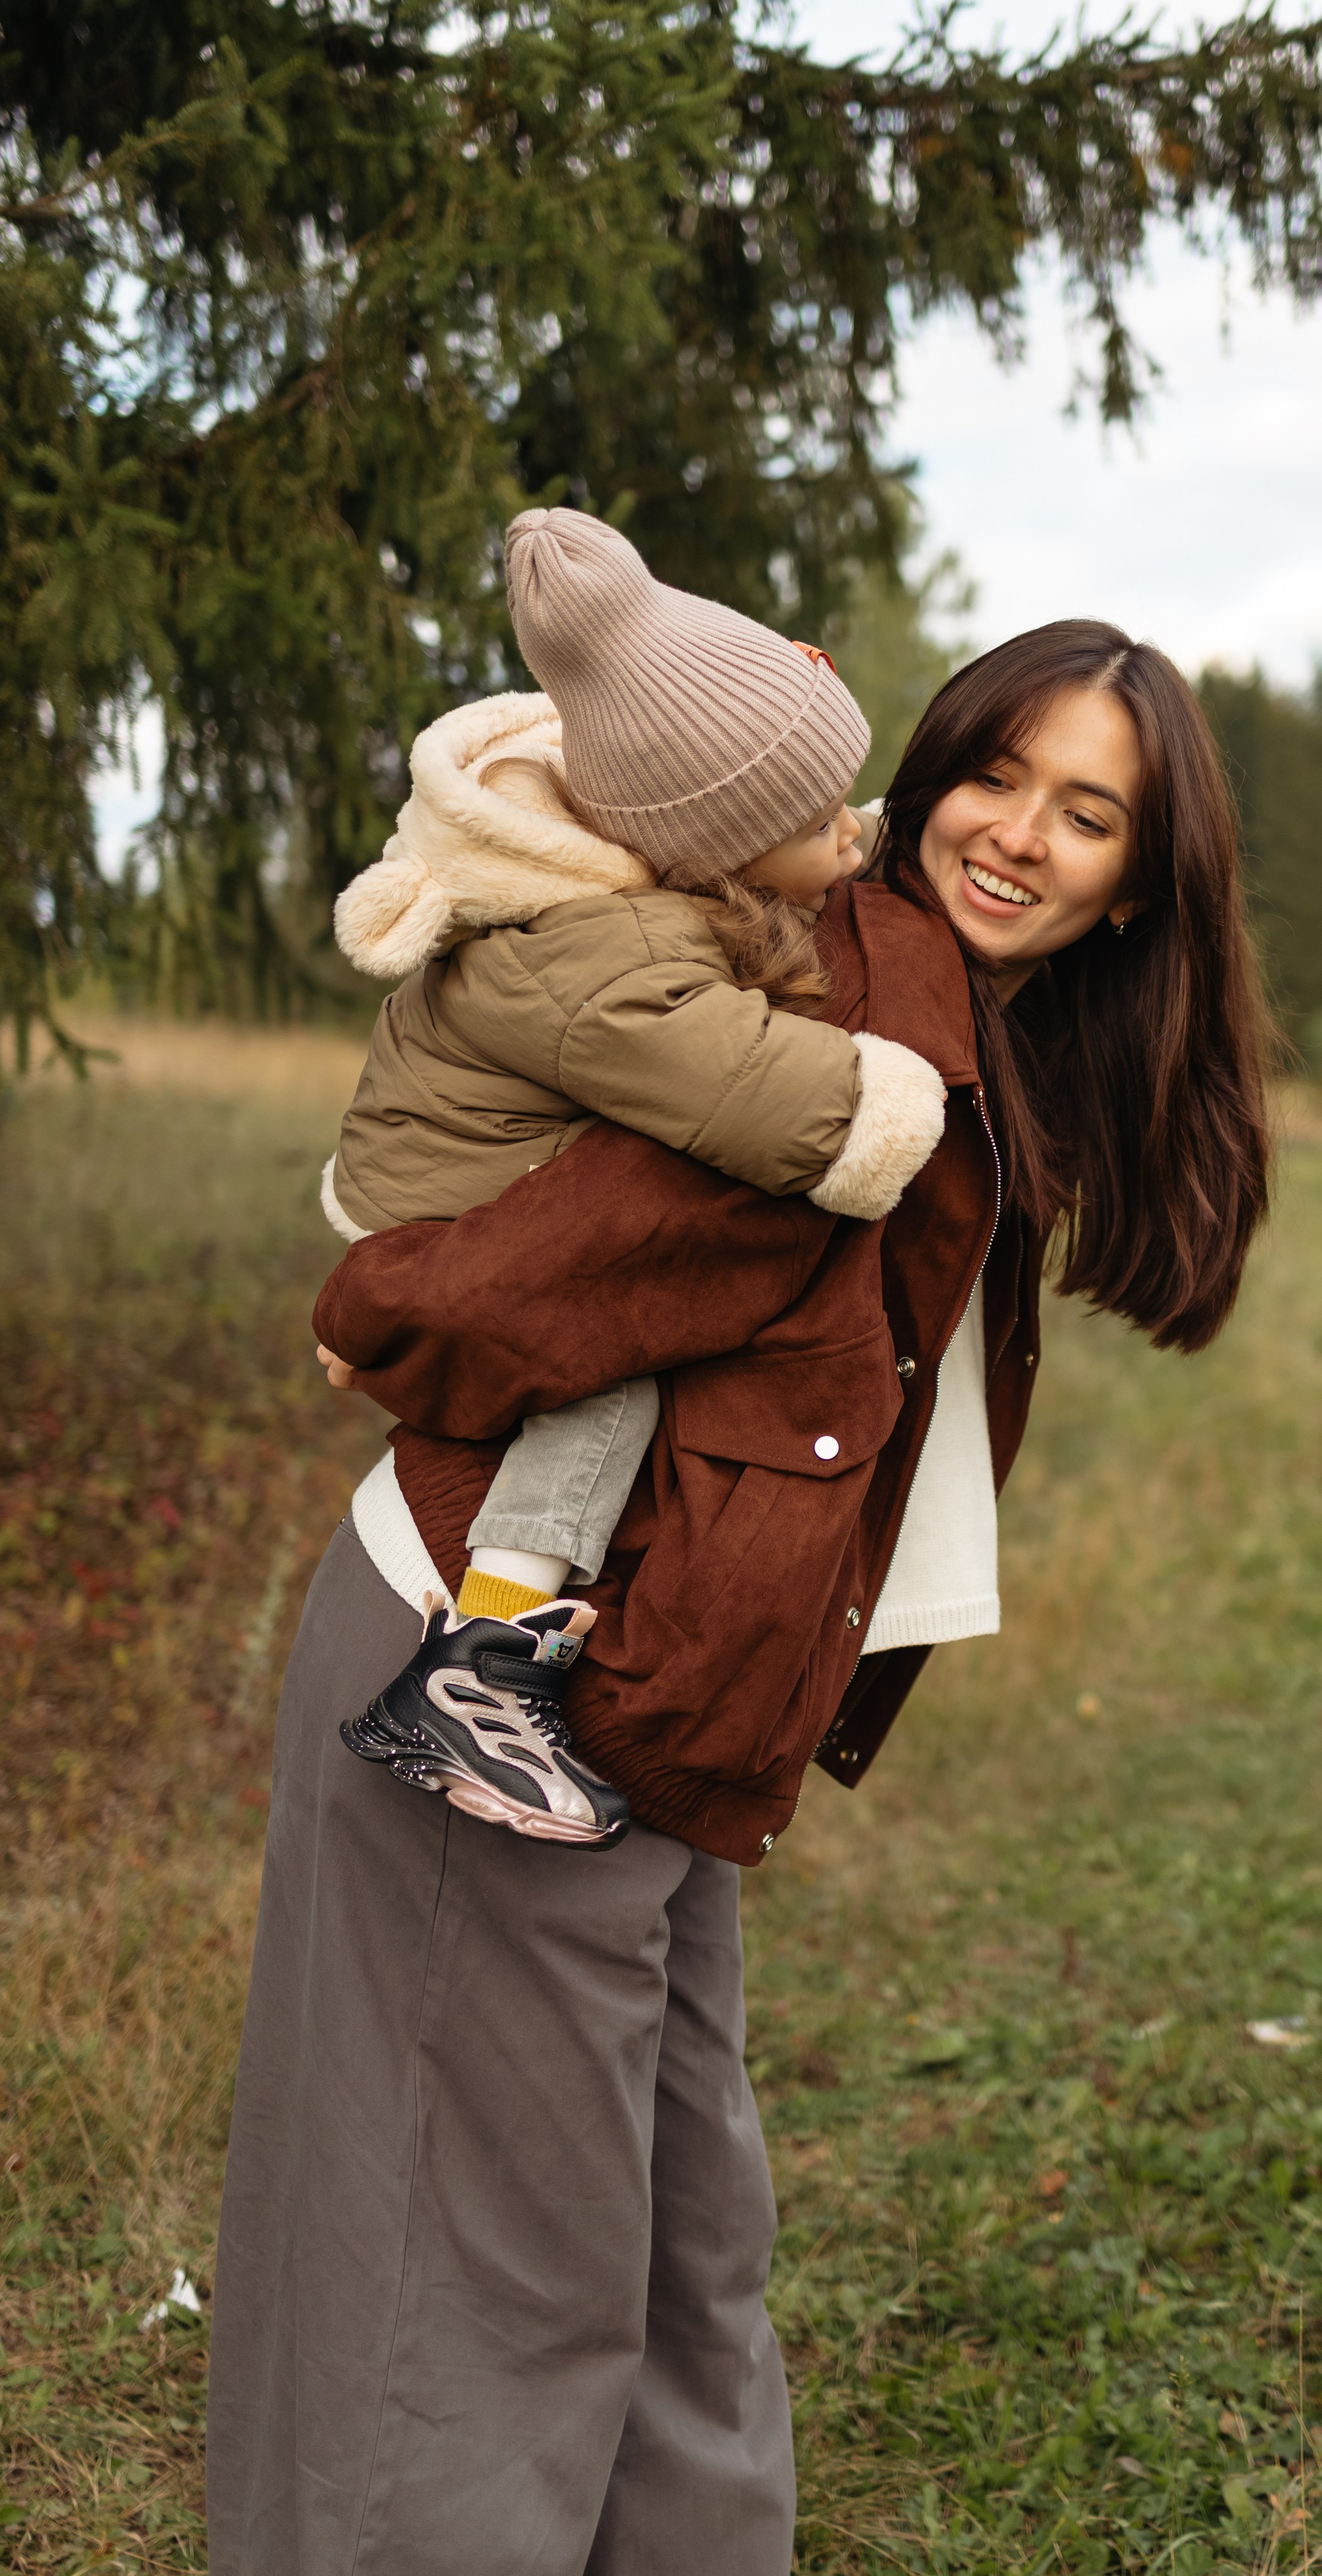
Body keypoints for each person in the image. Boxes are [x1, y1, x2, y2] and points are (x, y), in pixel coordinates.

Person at [205, 619, 1274, 2576]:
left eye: (1089, 810)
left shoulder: (973, 1043)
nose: (1021, 833)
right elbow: (586, 1253)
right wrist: (385, 1318)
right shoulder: (863, 1033)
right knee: (464, 2306)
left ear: (1144, 887)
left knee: (685, 2265)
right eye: (997, 774)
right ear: (929, 769)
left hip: (665, 1712)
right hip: (493, 1675)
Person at [319, 509, 946, 1841]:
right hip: (448, 1204)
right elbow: (774, 1101)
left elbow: (780, 872)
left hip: (460, 1157)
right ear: (714, 854)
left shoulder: (646, 878)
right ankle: (478, 1666)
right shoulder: (604, 964)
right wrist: (889, 1094)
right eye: (814, 819)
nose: (845, 833)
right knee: (606, 1352)